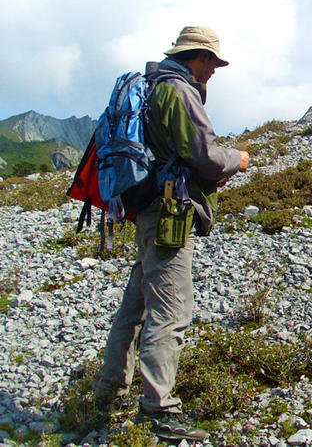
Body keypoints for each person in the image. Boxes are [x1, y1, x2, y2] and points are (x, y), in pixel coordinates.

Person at [94, 26, 249, 442]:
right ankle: (158, 409)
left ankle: (109, 387)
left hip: (145, 208)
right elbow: (206, 156)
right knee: (171, 309)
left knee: (137, 301)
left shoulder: (152, 85)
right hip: (169, 214)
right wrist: (240, 158)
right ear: (197, 57)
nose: (214, 70)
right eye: (212, 62)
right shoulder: (179, 92)